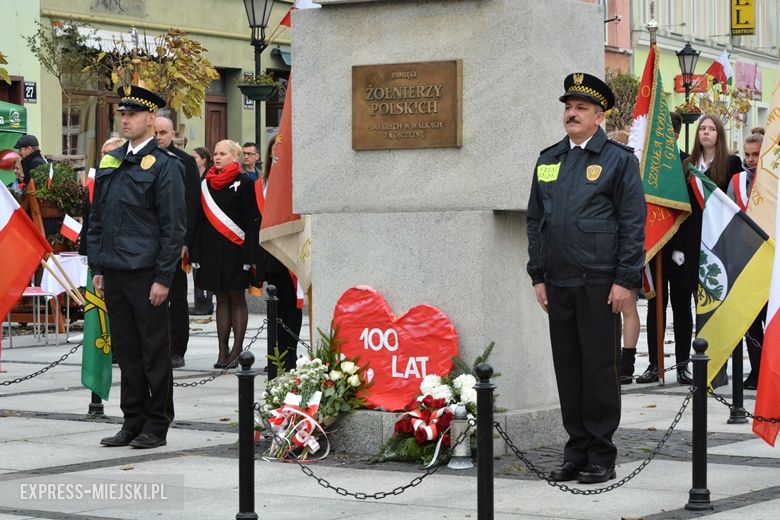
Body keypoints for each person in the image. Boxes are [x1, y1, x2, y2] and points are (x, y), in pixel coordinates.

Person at [527, 72, 645, 485]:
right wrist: (538, 275)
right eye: (568, 107)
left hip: (599, 282)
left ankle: (600, 453)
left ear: (599, 116)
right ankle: (575, 450)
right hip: (558, 281)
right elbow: (535, 221)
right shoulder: (548, 160)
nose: (571, 113)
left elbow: (633, 223)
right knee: (568, 367)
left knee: (598, 368)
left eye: (581, 108)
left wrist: (624, 279)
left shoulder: (618, 160)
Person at [87, 85, 186, 449]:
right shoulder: (111, 161)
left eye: (132, 115)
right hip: (114, 269)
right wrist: (98, 266)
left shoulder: (165, 165)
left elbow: (173, 227)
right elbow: (98, 219)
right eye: (123, 114)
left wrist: (163, 277)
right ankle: (132, 420)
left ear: (150, 119)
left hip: (146, 273)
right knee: (127, 351)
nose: (125, 120)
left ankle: (156, 423)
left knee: (153, 350)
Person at [635, 112, 696, 385]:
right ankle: (654, 364)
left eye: (664, 132)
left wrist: (679, 246)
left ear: (675, 134)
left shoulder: (686, 163)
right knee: (655, 307)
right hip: (653, 248)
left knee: (681, 306)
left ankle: (682, 365)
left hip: (679, 250)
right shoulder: (645, 164)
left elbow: (689, 210)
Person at [191, 140, 259, 369]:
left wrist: (250, 255)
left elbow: (251, 220)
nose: (217, 157)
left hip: (236, 251)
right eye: (216, 153)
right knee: (220, 298)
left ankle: (237, 350)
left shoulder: (244, 183)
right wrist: (195, 251)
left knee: (236, 298)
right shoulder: (206, 183)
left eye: (223, 154)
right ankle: (222, 350)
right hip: (211, 251)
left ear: (234, 157)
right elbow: (198, 220)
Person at [154, 116, 201, 369]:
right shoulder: (144, 159)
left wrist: (186, 240)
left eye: (163, 132)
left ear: (173, 134)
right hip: (150, 240)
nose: (159, 137)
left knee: (177, 297)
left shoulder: (184, 161)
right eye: (155, 133)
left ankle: (177, 348)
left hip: (175, 240)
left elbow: (191, 204)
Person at [256, 135, 304, 373]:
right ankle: (276, 356)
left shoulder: (295, 181)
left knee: (292, 308)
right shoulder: (261, 184)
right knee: (275, 309)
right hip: (271, 255)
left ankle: (290, 356)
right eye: (274, 151)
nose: (277, 155)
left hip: (292, 251)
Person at [727, 132, 767, 390]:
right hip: (746, 260)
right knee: (750, 322)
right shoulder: (737, 181)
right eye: (748, 154)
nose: (751, 159)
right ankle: (756, 369)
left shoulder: (774, 180)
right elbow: (729, 219)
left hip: (771, 262)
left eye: (756, 154)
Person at [190, 147, 215, 315]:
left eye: (195, 158)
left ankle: (207, 302)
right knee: (195, 264)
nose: (192, 160)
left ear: (204, 160)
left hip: (207, 226)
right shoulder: (192, 176)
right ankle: (198, 301)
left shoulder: (209, 178)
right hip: (194, 226)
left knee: (206, 266)